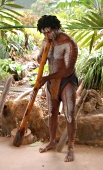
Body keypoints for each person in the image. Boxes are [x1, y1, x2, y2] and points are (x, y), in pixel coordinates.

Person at [37, 15, 78, 162]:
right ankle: (52, 141)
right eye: (44, 33)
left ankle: (71, 148)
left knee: (69, 114)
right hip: (52, 82)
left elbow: (67, 70)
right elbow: (40, 58)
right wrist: (41, 55)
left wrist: (46, 79)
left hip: (67, 81)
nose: (46, 35)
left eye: (48, 32)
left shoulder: (69, 43)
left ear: (56, 28)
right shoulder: (46, 41)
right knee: (52, 112)